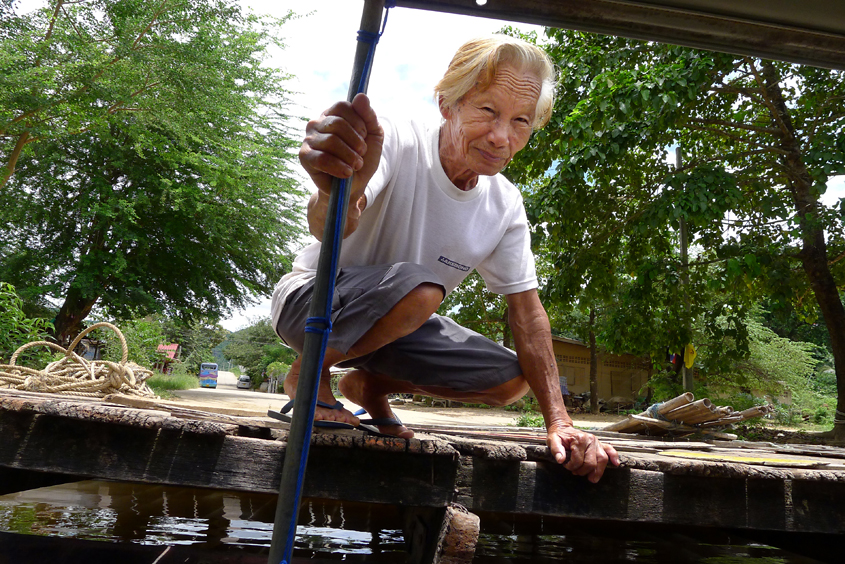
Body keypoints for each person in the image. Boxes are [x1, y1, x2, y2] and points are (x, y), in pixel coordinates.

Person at [271, 35, 619, 482]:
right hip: (309, 305)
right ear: (447, 105)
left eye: (520, 122)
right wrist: (338, 188)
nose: (500, 137)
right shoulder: (397, 139)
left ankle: (367, 388)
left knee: (512, 379)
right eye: (488, 111)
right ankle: (308, 374)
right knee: (422, 287)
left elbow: (528, 316)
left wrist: (560, 422)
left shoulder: (505, 204)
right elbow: (329, 226)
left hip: (396, 326)